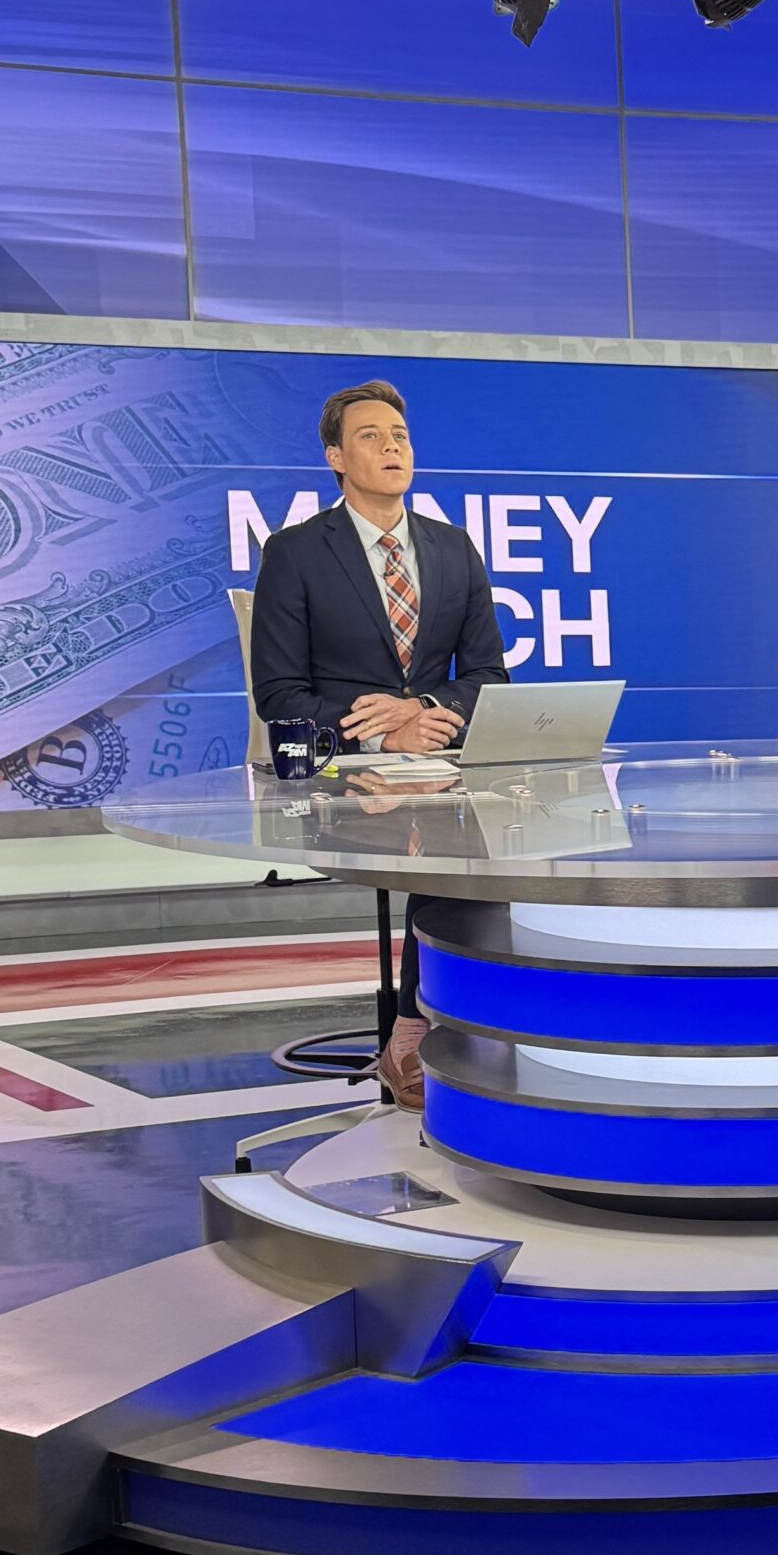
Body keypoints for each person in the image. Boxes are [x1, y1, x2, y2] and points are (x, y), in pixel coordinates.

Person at [250, 379, 508, 1109]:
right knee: (442, 844)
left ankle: (468, 1029)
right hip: (342, 769)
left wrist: (425, 707)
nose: (392, 446)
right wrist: (385, 725)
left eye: (399, 434)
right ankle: (410, 1037)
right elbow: (278, 696)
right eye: (371, 436)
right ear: (335, 456)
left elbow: (490, 674)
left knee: (498, 831)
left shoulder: (453, 549)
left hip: (435, 758)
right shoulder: (295, 553)